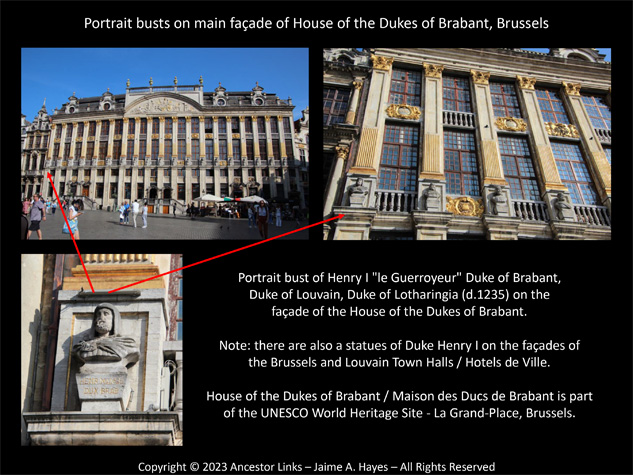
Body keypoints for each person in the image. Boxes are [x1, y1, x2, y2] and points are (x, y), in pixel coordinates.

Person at [72, 303, 139, 365]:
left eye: (106, 314)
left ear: (114, 319)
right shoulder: (82, 346)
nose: (101, 318)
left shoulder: (126, 344)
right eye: (98, 314)